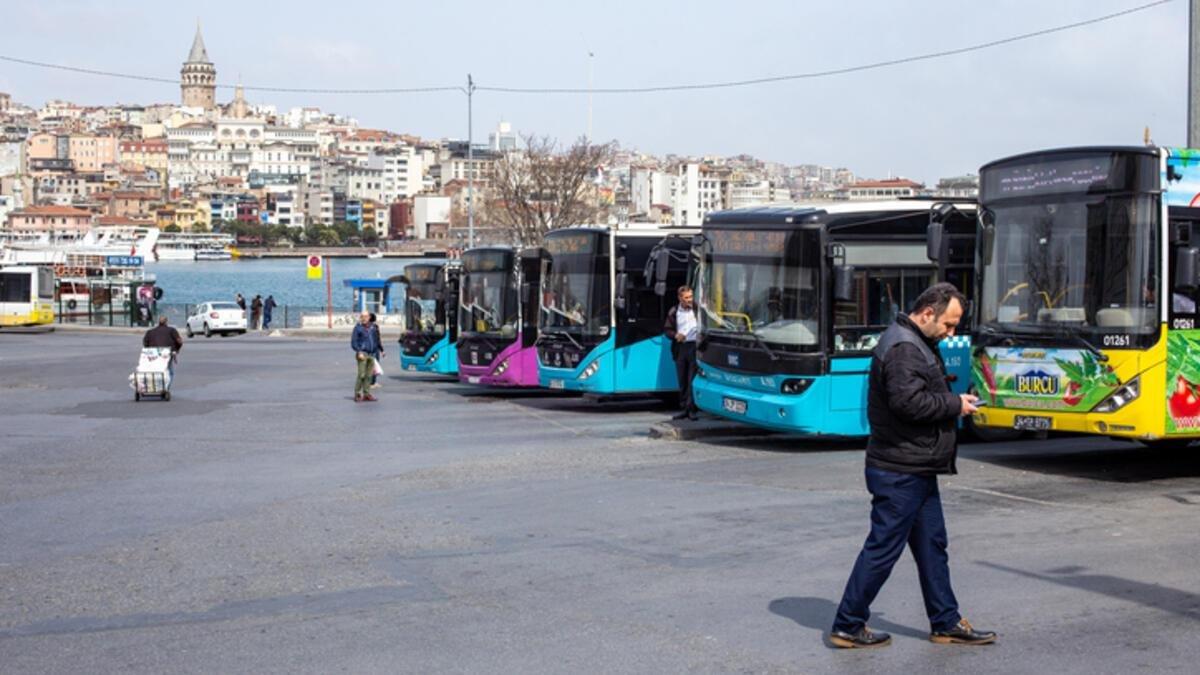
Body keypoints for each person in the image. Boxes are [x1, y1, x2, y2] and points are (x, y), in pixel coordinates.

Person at [830, 282, 995, 649]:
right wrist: (955, 405)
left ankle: (946, 621)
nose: (951, 333)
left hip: (914, 465)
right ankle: (848, 624)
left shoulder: (913, 340)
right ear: (927, 314)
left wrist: (953, 400)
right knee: (883, 549)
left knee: (932, 545)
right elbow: (909, 404)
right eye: (949, 324)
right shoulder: (905, 348)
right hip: (900, 469)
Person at [663, 285, 699, 421]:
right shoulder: (674, 311)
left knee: (692, 379)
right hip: (680, 348)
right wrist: (675, 335)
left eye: (691, 297)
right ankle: (684, 408)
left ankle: (692, 409)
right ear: (680, 298)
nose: (689, 300)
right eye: (686, 298)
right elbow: (667, 330)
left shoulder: (697, 309)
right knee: (682, 380)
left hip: (694, 347)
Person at [351, 310, 378, 402]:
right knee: (361, 375)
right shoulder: (358, 328)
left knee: (369, 375)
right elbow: (354, 342)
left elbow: (376, 339)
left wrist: (378, 350)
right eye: (362, 316)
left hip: (371, 354)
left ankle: (367, 394)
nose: (364, 318)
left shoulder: (373, 327)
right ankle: (357, 394)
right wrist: (359, 352)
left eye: (366, 316)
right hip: (363, 353)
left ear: (369, 317)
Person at [369, 312, 385, 388]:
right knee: (374, 366)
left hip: (370, 349)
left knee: (372, 366)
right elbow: (378, 339)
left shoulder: (366, 327)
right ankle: (371, 383)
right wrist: (382, 350)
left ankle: (372, 382)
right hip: (374, 349)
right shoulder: (375, 327)